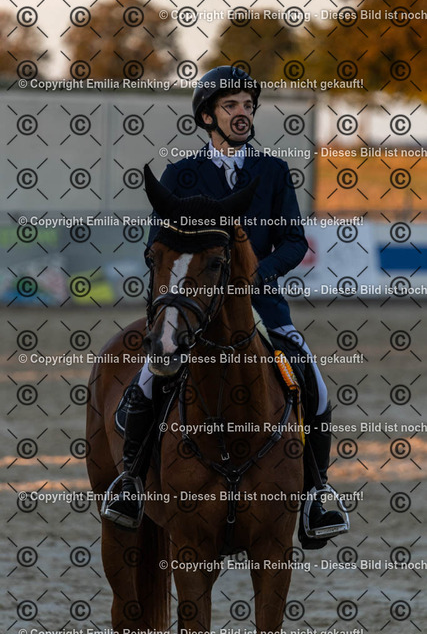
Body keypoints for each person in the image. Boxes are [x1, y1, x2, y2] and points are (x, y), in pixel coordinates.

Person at [103, 66, 348, 548]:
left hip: (261, 308)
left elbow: (293, 242)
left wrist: (257, 274)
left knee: (314, 386)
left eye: (248, 106)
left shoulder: (272, 171)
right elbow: (157, 246)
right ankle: (131, 482)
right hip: (193, 310)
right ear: (207, 116)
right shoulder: (181, 174)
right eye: (231, 105)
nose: (243, 113)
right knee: (148, 380)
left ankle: (318, 493)